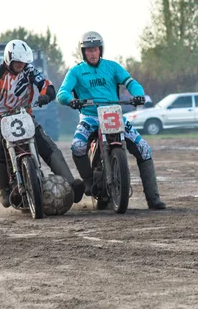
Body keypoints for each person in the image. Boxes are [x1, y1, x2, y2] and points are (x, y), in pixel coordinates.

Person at [56, 31, 167, 210]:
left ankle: (153, 199)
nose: (92, 53)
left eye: (95, 49)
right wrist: (71, 100)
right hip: (90, 117)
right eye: (88, 50)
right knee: (77, 146)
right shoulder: (76, 71)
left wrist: (138, 95)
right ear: (83, 52)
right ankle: (89, 183)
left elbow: (131, 82)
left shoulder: (113, 67)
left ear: (101, 50)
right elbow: (62, 93)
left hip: (114, 114)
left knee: (145, 149)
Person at [0, 40, 85, 207]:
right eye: (17, 62)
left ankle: (71, 183)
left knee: (46, 144)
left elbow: (45, 84)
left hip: (24, 115)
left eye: (23, 62)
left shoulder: (29, 71)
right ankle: (4, 190)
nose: (20, 65)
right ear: (8, 59)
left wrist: (46, 94)